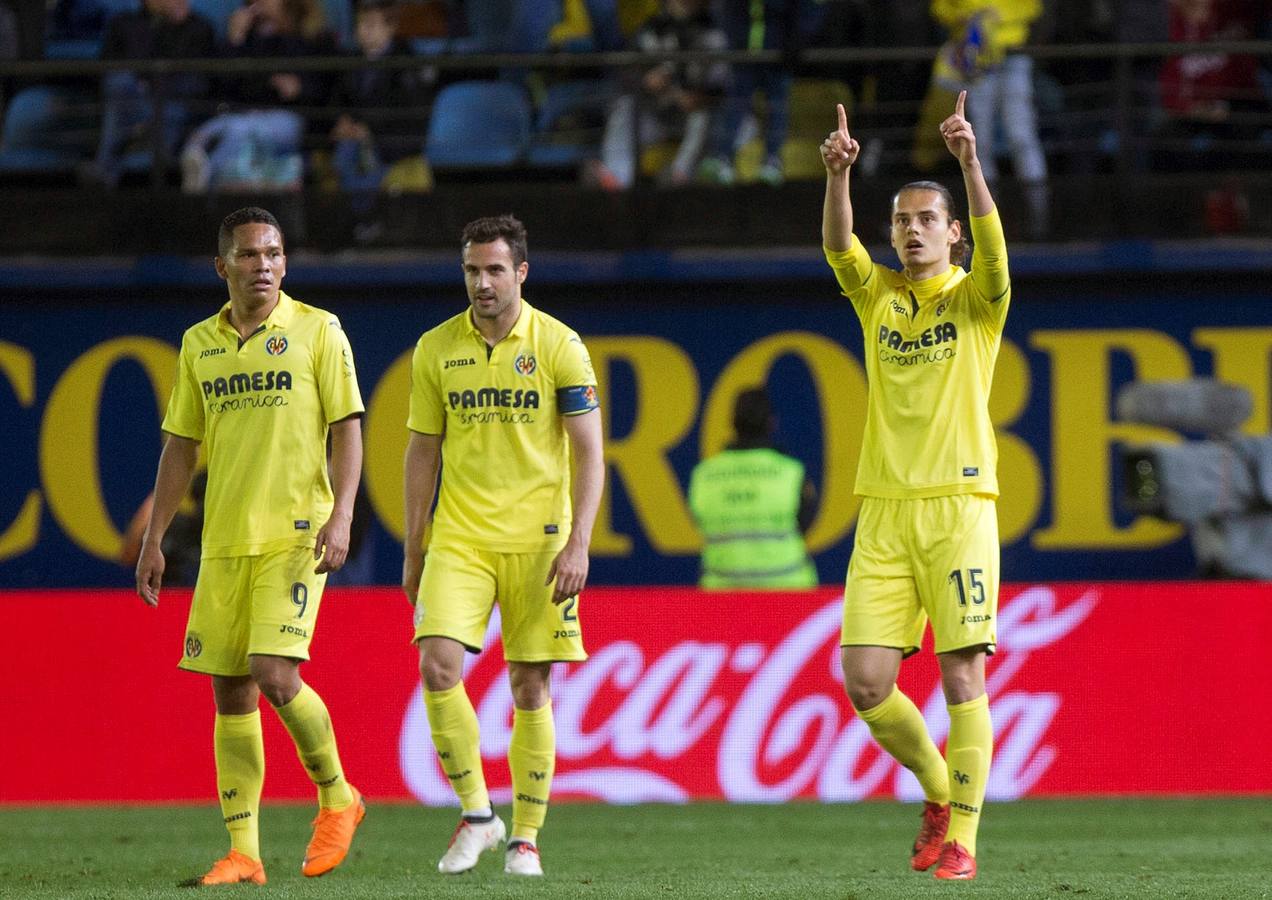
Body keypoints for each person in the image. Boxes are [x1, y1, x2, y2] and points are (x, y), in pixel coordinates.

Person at [135, 206, 367, 886]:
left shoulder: (319, 330)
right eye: (248, 255)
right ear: (223, 266)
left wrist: (343, 514)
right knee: (230, 690)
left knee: (274, 673)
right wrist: (153, 540)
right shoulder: (198, 343)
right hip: (225, 539)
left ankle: (338, 795)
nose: (262, 264)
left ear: (285, 263)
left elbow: (347, 426)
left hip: (297, 531)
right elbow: (180, 447)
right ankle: (245, 853)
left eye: (272, 253)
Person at [820, 92, 1008, 881]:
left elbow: (998, 255)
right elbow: (838, 248)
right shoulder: (880, 299)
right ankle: (937, 790)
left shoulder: (975, 300)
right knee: (865, 684)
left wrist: (968, 164)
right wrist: (838, 179)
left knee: (962, 674)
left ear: (952, 231)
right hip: (884, 512)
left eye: (926, 220)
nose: (911, 230)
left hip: (959, 509)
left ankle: (962, 837)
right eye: (901, 220)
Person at [401, 214, 605, 877]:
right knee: (437, 664)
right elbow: (421, 450)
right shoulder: (436, 348)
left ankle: (526, 837)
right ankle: (477, 813)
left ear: (521, 272)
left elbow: (590, 452)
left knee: (529, 684)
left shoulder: (559, 345)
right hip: (460, 536)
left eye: (494, 270)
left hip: (540, 539)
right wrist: (414, 545)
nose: (482, 283)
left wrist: (579, 542)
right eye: (471, 270)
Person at [583, 0, 727, 189]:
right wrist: (645, 79)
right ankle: (616, 177)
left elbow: (723, 87)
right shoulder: (652, 28)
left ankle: (680, 174)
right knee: (625, 107)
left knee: (702, 116)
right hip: (659, 111)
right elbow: (627, 73)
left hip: (693, 115)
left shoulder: (713, 34)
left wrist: (701, 97)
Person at [688, 386, 818, 588]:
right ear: (771, 422)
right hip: (787, 591)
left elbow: (699, 520)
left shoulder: (704, 475)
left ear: (732, 423)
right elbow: (805, 524)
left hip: (722, 593)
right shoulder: (790, 472)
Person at [79, 0, 216, 188]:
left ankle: (108, 165)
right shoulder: (123, 22)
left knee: (165, 108)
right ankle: (140, 139)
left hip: (173, 101)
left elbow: (196, 80)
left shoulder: (198, 26)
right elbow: (105, 70)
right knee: (120, 83)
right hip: (131, 98)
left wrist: (175, 26)